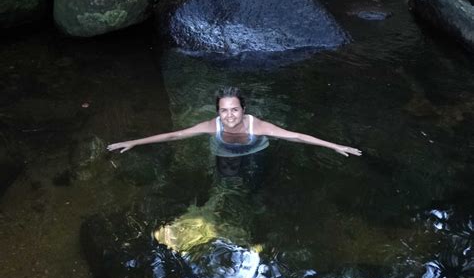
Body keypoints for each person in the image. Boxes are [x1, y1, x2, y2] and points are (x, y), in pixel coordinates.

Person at [107, 87, 362, 157]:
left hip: (255, 149)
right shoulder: (212, 126)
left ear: (243, 109)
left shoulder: (257, 126)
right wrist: (134, 142)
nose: (229, 116)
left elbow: (295, 136)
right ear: (217, 112)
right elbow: (175, 135)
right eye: (224, 110)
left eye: (235, 110)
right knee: (225, 175)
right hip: (224, 151)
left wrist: (334, 146)